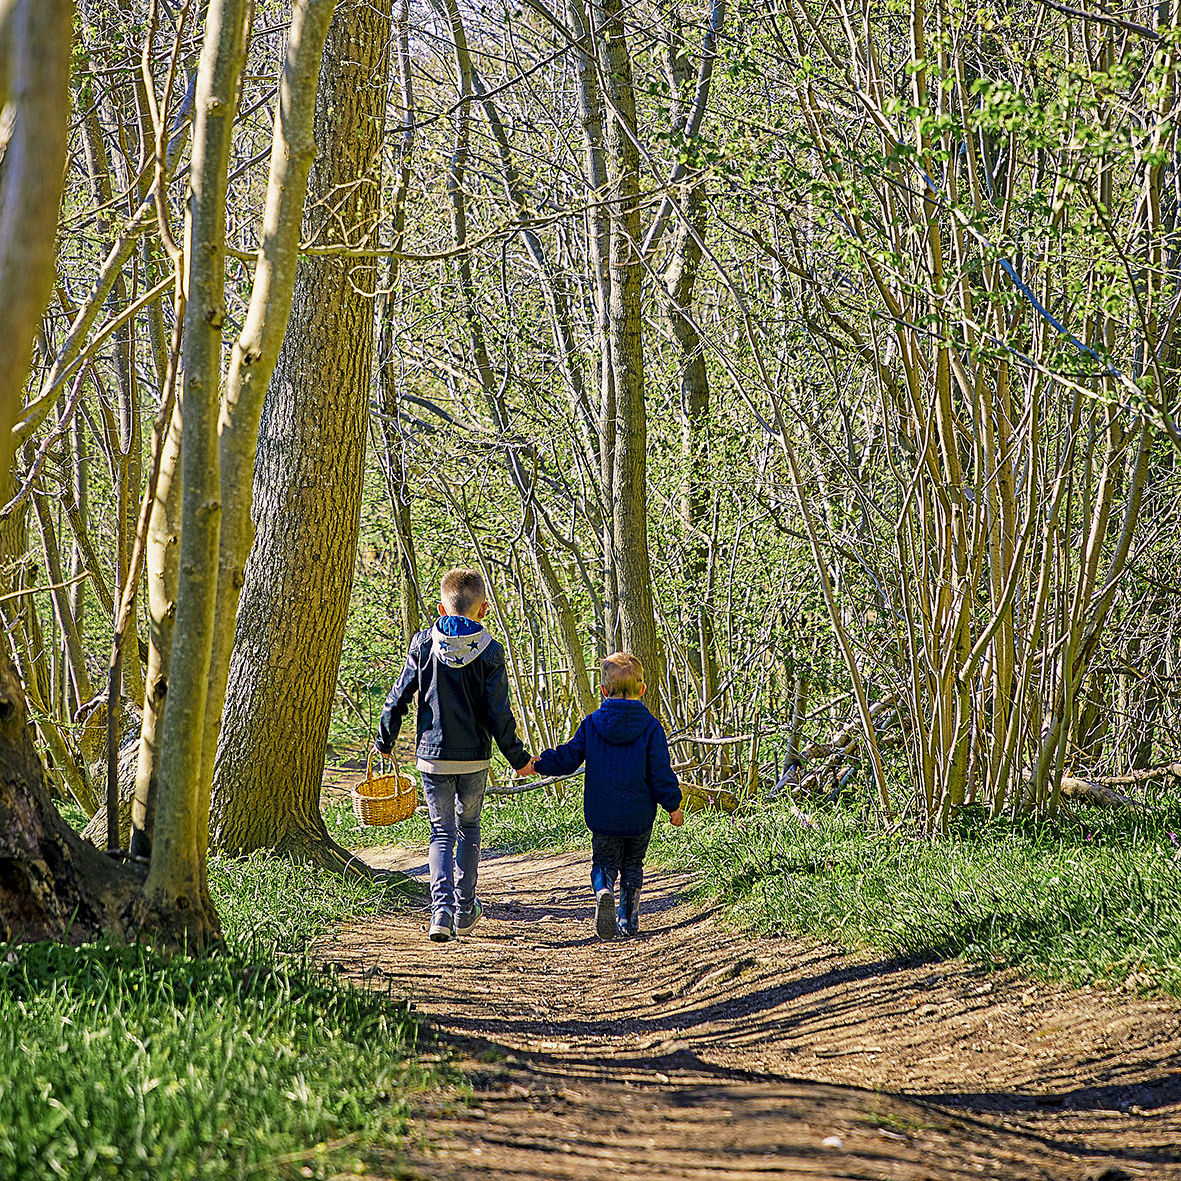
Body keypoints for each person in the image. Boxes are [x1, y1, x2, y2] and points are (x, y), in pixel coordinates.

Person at [375, 567, 534, 942]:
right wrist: (518, 758)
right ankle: (465, 909)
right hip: (475, 759)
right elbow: (499, 713)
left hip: (433, 756)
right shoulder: (491, 651)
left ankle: (440, 913)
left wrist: (385, 740)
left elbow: (398, 696)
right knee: (470, 827)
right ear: (483, 611)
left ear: (442, 609)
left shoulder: (422, 643)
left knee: (441, 832)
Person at [525, 652, 684, 939]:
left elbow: (568, 757)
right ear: (643, 690)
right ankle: (628, 917)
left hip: (603, 815)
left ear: (603, 690)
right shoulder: (650, 728)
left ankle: (603, 890)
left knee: (603, 862)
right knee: (634, 863)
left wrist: (539, 764)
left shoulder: (592, 724)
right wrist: (673, 806)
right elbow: (661, 772)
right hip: (638, 817)